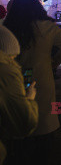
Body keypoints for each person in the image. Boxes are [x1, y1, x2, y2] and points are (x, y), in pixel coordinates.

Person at [3, 0, 61, 164]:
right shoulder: (46, 27)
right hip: (41, 78)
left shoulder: (9, 26)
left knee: (17, 121)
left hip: (16, 78)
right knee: (44, 121)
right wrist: (55, 62)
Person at [0, 26, 38, 165]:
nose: (15, 63)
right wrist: (29, 99)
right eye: (12, 58)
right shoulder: (6, 72)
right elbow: (24, 122)